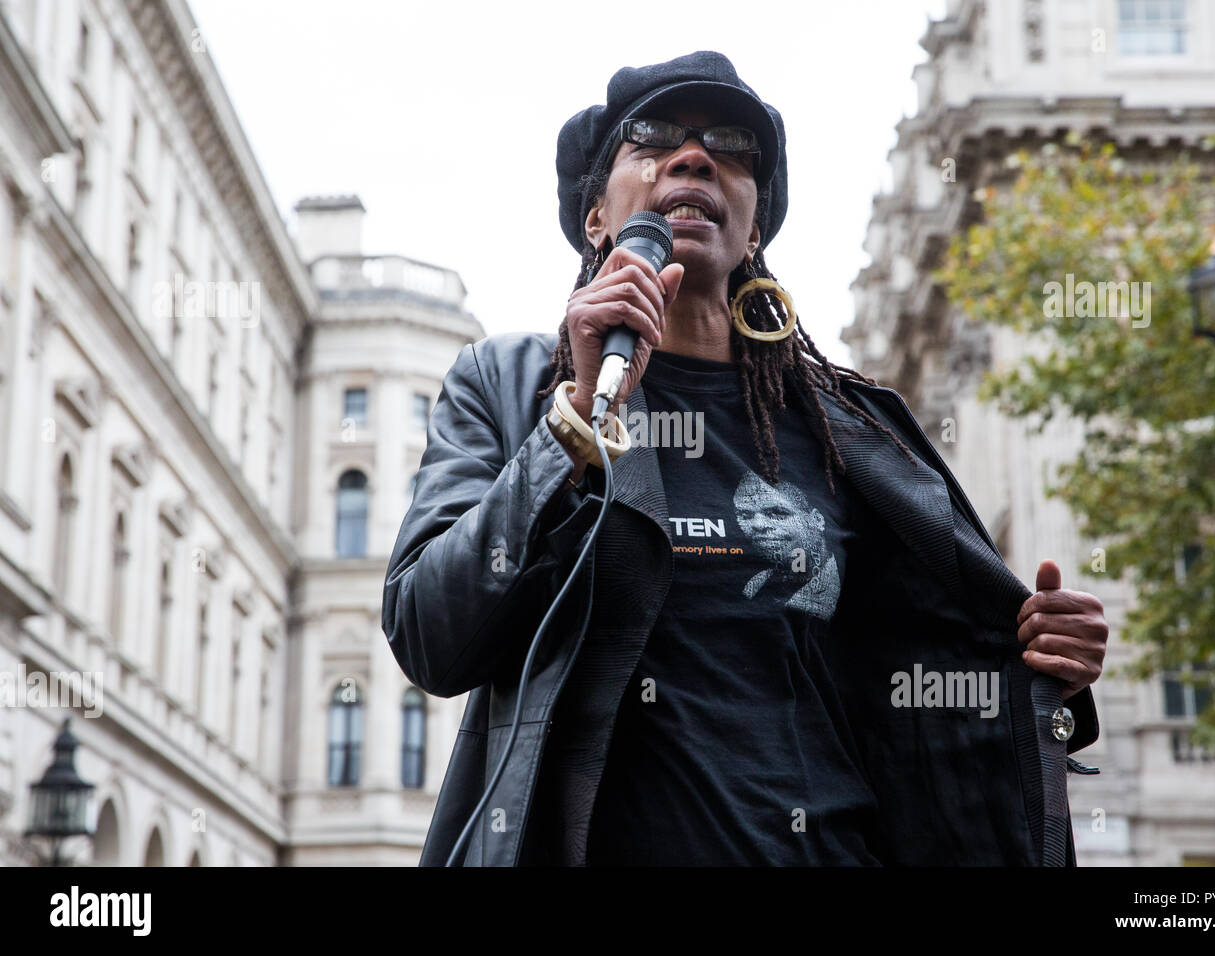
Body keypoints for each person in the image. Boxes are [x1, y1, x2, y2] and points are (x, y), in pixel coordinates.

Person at [382, 50, 1109, 867]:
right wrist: (575, 427)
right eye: (650, 138)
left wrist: (1042, 663)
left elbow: (928, 678)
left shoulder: (851, 427)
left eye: (731, 146)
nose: (694, 157)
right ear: (596, 217)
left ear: (754, 224)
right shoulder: (508, 388)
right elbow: (428, 634)